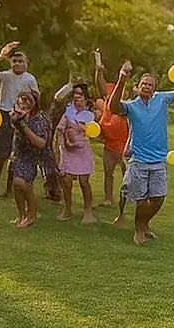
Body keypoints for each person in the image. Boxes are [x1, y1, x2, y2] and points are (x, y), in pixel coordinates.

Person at [107, 54, 174, 245]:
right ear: (137, 88)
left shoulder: (162, 99)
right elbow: (113, 107)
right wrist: (122, 79)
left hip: (159, 161)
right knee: (141, 199)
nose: (146, 86)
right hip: (138, 161)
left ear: (155, 89)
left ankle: (144, 223)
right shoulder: (131, 107)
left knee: (158, 198)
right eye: (143, 83)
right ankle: (139, 229)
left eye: (150, 84)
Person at [0, 42, 39, 197]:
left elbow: (36, 98)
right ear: (11, 63)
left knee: (15, 155)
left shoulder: (30, 79)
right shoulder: (6, 75)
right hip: (4, 116)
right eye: (14, 61)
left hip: (21, 118)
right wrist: (1, 56)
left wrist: (27, 112)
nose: (17, 64)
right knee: (2, 154)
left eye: (21, 61)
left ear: (26, 64)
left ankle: (9, 189)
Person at [55, 82, 98, 225]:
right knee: (66, 180)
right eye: (75, 94)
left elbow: (94, 132)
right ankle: (67, 209)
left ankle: (88, 212)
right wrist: (63, 143)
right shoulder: (68, 112)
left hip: (82, 151)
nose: (76, 97)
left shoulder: (90, 115)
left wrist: (84, 128)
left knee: (84, 182)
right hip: (68, 150)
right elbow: (60, 129)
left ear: (86, 98)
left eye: (80, 95)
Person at [8, 88, 49, 229]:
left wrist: (23, 126)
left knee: (22, 183)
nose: (23, 102)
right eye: (21, 99)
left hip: (31, 156)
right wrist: (17, 120)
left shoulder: (40, 119)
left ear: (35, 104)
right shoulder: (16, 114)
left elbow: (41, 143)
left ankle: (31, 215)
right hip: (18, 154)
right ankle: (21, 215)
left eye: (27, 100)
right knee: (17, 185)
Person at [94, 49, 130, 207]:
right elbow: (99, 83)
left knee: (127, 174)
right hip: (109, 142)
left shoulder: (129, 94)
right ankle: (108, 199)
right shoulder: (111, 89)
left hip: (124, 144)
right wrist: (98, 68)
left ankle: (128, 198)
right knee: (108, 173)